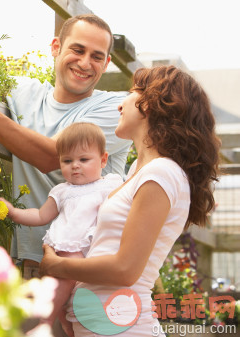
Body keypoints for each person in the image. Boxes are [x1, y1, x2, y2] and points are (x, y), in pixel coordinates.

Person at [0, 14, 132, 277]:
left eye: (96, 56)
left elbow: (52, 156)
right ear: (56, 48)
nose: (85, 63)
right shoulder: (25, 92)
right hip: (34, 262)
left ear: (106, 64)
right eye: (77, 50)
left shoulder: (114, 108)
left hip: (90, 269)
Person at [39, 65, 221, 336]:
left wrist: (56, 265)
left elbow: (125, 269)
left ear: (151, 104)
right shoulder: (138, 171)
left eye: (131, 93)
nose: (120, 104)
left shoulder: (162, 173)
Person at [0, 122, 123, 336]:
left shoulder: (111, 185)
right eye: (67, 160)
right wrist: (13, 212)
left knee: (82, 296)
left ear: (103, 160)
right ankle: (45, 322)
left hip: (97, 250)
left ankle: (64, 320)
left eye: (84, 159)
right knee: (60, 286)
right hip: (68, 249)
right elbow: (40, 215)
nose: (75, 165)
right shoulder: (63, 191)